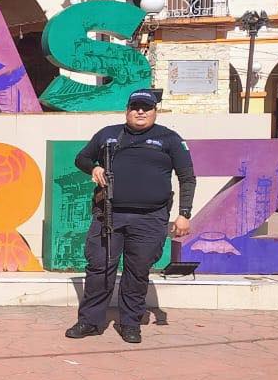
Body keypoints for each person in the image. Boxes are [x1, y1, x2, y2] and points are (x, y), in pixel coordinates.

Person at [65, 89, 196, 344]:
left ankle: (130, 323)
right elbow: (81, 158)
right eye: (135, 106)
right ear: (127, 110)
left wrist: (184, 214)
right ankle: (90, 321)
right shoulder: (108, 135)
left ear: (154, 111)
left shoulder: (169, 139)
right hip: (108, 215)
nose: (140, 111)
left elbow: (187, 177)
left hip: (150, 218)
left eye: (146, 107)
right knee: (100, 269)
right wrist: (94, 167)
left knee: (137, 272)